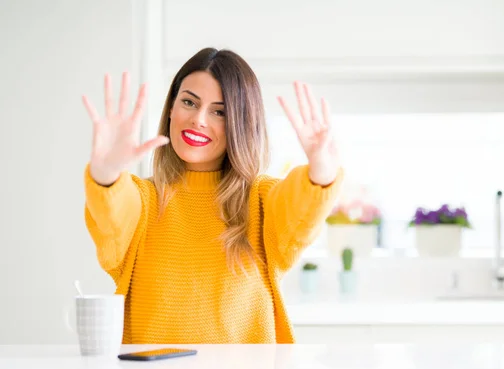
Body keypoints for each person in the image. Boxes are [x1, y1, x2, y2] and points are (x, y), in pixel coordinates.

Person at [82, 47, 343, 344]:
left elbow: (303, 207)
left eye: (219, 111)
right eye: (189, 102)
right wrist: (106, 173)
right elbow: (111, 211)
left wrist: (321, 167)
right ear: (171, 108)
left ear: (240, 125)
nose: (199, 120)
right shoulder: (143, 201)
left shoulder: (260, 200)